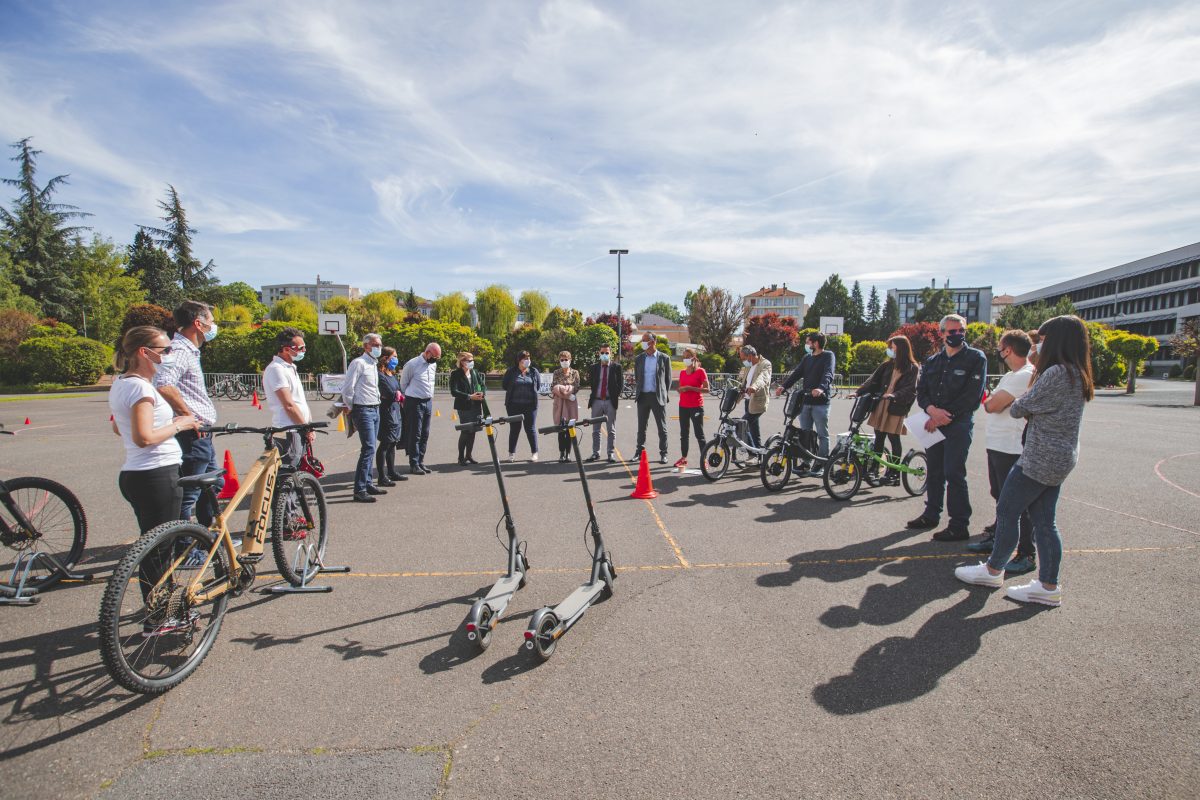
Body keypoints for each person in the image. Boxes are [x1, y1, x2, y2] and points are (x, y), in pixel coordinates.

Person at [955, 315, 1094, 607]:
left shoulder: (1056, 373)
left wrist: (1024, 403)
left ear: (1056, 341)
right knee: (1045, 522)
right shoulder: (1076, 372)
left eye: (1041, 341)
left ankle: (993, 569)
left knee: (1008, 509)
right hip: (1060, 456)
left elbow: (1019, 407)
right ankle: (1047, 585)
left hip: (1040, 456)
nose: (1037, 346)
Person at [109, 326, 198, 603]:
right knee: (159, 550)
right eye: (165, 351)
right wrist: (178, 423)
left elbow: (118, 428)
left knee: (156, 545)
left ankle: (161, 604)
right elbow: (143, 437)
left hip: (139, 473)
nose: (169, 356)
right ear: (144, 353)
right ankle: (158, 612)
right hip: (155, 473)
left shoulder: (123, 383)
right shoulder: (140, 387)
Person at [909, 314, 988, 541]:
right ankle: (931, 514)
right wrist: (932, 411)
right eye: (951, 332)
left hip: (958, 424)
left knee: (954, 472)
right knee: (934, 472)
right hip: (933, 424)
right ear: (942, 334)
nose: (957, 335)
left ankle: (959, 524)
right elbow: (921, 392)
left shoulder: (976, 358)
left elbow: (973, 396)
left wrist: (944, 416)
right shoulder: (933, 362)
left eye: (960, 331)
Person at [966, 330, 1036, 574]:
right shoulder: (1010, 374)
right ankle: (998, 537)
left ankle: (1026, 552)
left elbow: (992, 404)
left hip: (1011, 446)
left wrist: (992, 401)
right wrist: (992, 402)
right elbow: (993, 404)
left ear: (1009, 349)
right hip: (997, 444)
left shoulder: (1024, 375)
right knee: (1000, 496)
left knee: (1018, 502)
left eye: (1000, 347)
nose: (999, 352)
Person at [153, 299, 219, 522]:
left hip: (202, 431)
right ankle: (185, 545)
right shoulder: (181, 350)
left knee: (214, 483)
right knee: (191, 491)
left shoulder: (189, 351)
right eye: (210, 321)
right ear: (198, 324)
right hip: (192, 433)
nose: (213, 326)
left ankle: (205, 535)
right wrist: (187, 416)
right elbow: (163, 382)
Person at [854, 335, 919, 484]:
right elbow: (873, 380)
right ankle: (874, 470)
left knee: (893, 437)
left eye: (892, 346)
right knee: (879, 437)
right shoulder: (887, 365)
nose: (890, 349)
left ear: (901, 348)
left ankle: (894, 473)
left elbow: (911, 389)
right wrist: (858, 392)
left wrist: (894, 395)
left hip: (896, 405)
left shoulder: (912, 367)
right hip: (881, 404)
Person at [777, 332, 834, 476]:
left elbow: (828, 373)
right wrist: (784, 386)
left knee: (822, 434)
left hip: (821, 402)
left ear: (816, 343)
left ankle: (821, 463)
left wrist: (821, 388)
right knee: (805, 434)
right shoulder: (807, 358)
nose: (807, 345)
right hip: (806, 401)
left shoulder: (828, 356)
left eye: (808, 342)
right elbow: (797, 373)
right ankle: (806, 463)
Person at [341, 333, 386, 503]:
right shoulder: (358, 363)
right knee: (368, 448)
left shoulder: (373, 364)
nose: (378, 348)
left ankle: (367, 483)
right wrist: (352, 408)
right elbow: (347, 389)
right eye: (375, 345)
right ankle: (359, 489)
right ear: (366, 346)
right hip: (363, 409)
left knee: (371, 447)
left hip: (375, 408)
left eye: (380, 345)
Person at [262, 326, 315, 469]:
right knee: (289, 467)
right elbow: (289, 405)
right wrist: (306, 427)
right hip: (288, 428)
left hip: (298, 427)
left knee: (297, 466)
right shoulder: (276, 369)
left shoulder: (289, 367)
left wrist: (308, 425)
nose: (304, 351)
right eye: (300, 348)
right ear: (286, 349)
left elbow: (299, 401)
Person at [399, 342, 442, 475]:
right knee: (415, 434)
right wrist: (410, 397)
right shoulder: (412, 364)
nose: (435, 360)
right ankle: (414, 463)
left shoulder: (432, 364)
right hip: (414, 402)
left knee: (425, 433)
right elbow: (403, 384)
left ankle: (421, 461)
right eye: (434, 356)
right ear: (428, 352)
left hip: (428, 401)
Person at [634, 333, 671, 464]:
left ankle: (663, 453)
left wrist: (664, 395)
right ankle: (639, 452)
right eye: (642, 340)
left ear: (653, 341)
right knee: (641, 427)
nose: (643, 343)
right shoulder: (639, 358)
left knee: (662, 427)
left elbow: (668, 379)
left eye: (645, 340)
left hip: (657, 396)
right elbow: (637, 377)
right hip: (643, 396)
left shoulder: (664, 358)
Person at [375, 346, 408, 486]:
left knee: (393, 443)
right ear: (385, 358)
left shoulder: (391, 374)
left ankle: (392, 471)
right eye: (393, 356)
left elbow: (398, 391)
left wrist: (399, 396)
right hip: (386, 412)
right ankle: (382, 476)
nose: (395, 359)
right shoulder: (380, 375)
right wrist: (397, 395)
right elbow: (389, 393)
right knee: (385, 443)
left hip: (395, 411)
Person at [449, 351, 488, 465]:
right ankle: (461, 457)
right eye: (469, 360)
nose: (472, 362)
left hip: (476, 406)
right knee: (465, 431)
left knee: (473, 431)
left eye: (472, 360)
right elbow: (454, 391)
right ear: (462, 362)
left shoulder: (474, 372)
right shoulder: (456, 374)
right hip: (464, 406)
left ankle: (469, 455)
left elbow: (482, 385)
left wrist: (482, 393)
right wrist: (469, 397)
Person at [586, 343, 622, 463]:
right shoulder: (594, 367)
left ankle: (610, 453)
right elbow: (592, 383)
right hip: (596, 401)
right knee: (596, 429)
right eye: (602, 353)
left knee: (611, 429)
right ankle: (596, 453)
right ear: (599, 353)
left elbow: (620, 385)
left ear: (610, 353)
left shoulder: (616, 367)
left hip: (610, 401)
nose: (604, 355)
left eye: (607, 353)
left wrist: (613, 396)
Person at [502, 350, 540, 461]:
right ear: (519, 360)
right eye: (525, 358)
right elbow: (505, 385)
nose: (527, 361)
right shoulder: (511, 371)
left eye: (528, 358)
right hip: (513, 405)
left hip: (530, 405)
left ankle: (534, 453)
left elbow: (537, 386)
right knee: (514, 429)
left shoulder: (533, 371)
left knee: (530, 429)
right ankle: (511, 454)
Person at [674, 348, 709, 469]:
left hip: (696, 406)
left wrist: (691, 388)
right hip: (683, 406)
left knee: (699, 434)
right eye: (684, 356)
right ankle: (684, 458)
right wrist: (681, 390)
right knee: (684, 434)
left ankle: (704, 459)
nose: (685, 359)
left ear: (693, 358)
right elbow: (680, 388)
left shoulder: (700, 371)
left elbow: (707, 389)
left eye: (688, 356)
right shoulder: (682, 372)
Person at [737, 345, 772, 455]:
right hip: (748, 401)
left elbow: (763, 378)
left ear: (751, 356)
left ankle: (753, 453)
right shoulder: (748, 366)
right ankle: (758, 454)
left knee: (741, 425)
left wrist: (754, 387)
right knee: (753, 429)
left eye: (743, 358)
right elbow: (743, 381)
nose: (743, 361)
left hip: (757, 401)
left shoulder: (765, 364)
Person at [550, 350, 581, 462]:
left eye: (566, 359)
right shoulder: (556, 372)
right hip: (560, 403)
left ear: (570, 360)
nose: (564, 361)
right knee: (560, 429)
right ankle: (561, 453)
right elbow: (554, 387)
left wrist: (563, 389)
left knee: (569, 430)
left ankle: (568, 453)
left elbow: (576, 387)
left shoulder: (575, 373)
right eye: (562, 360)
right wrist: (567, 392)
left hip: (570, 405)